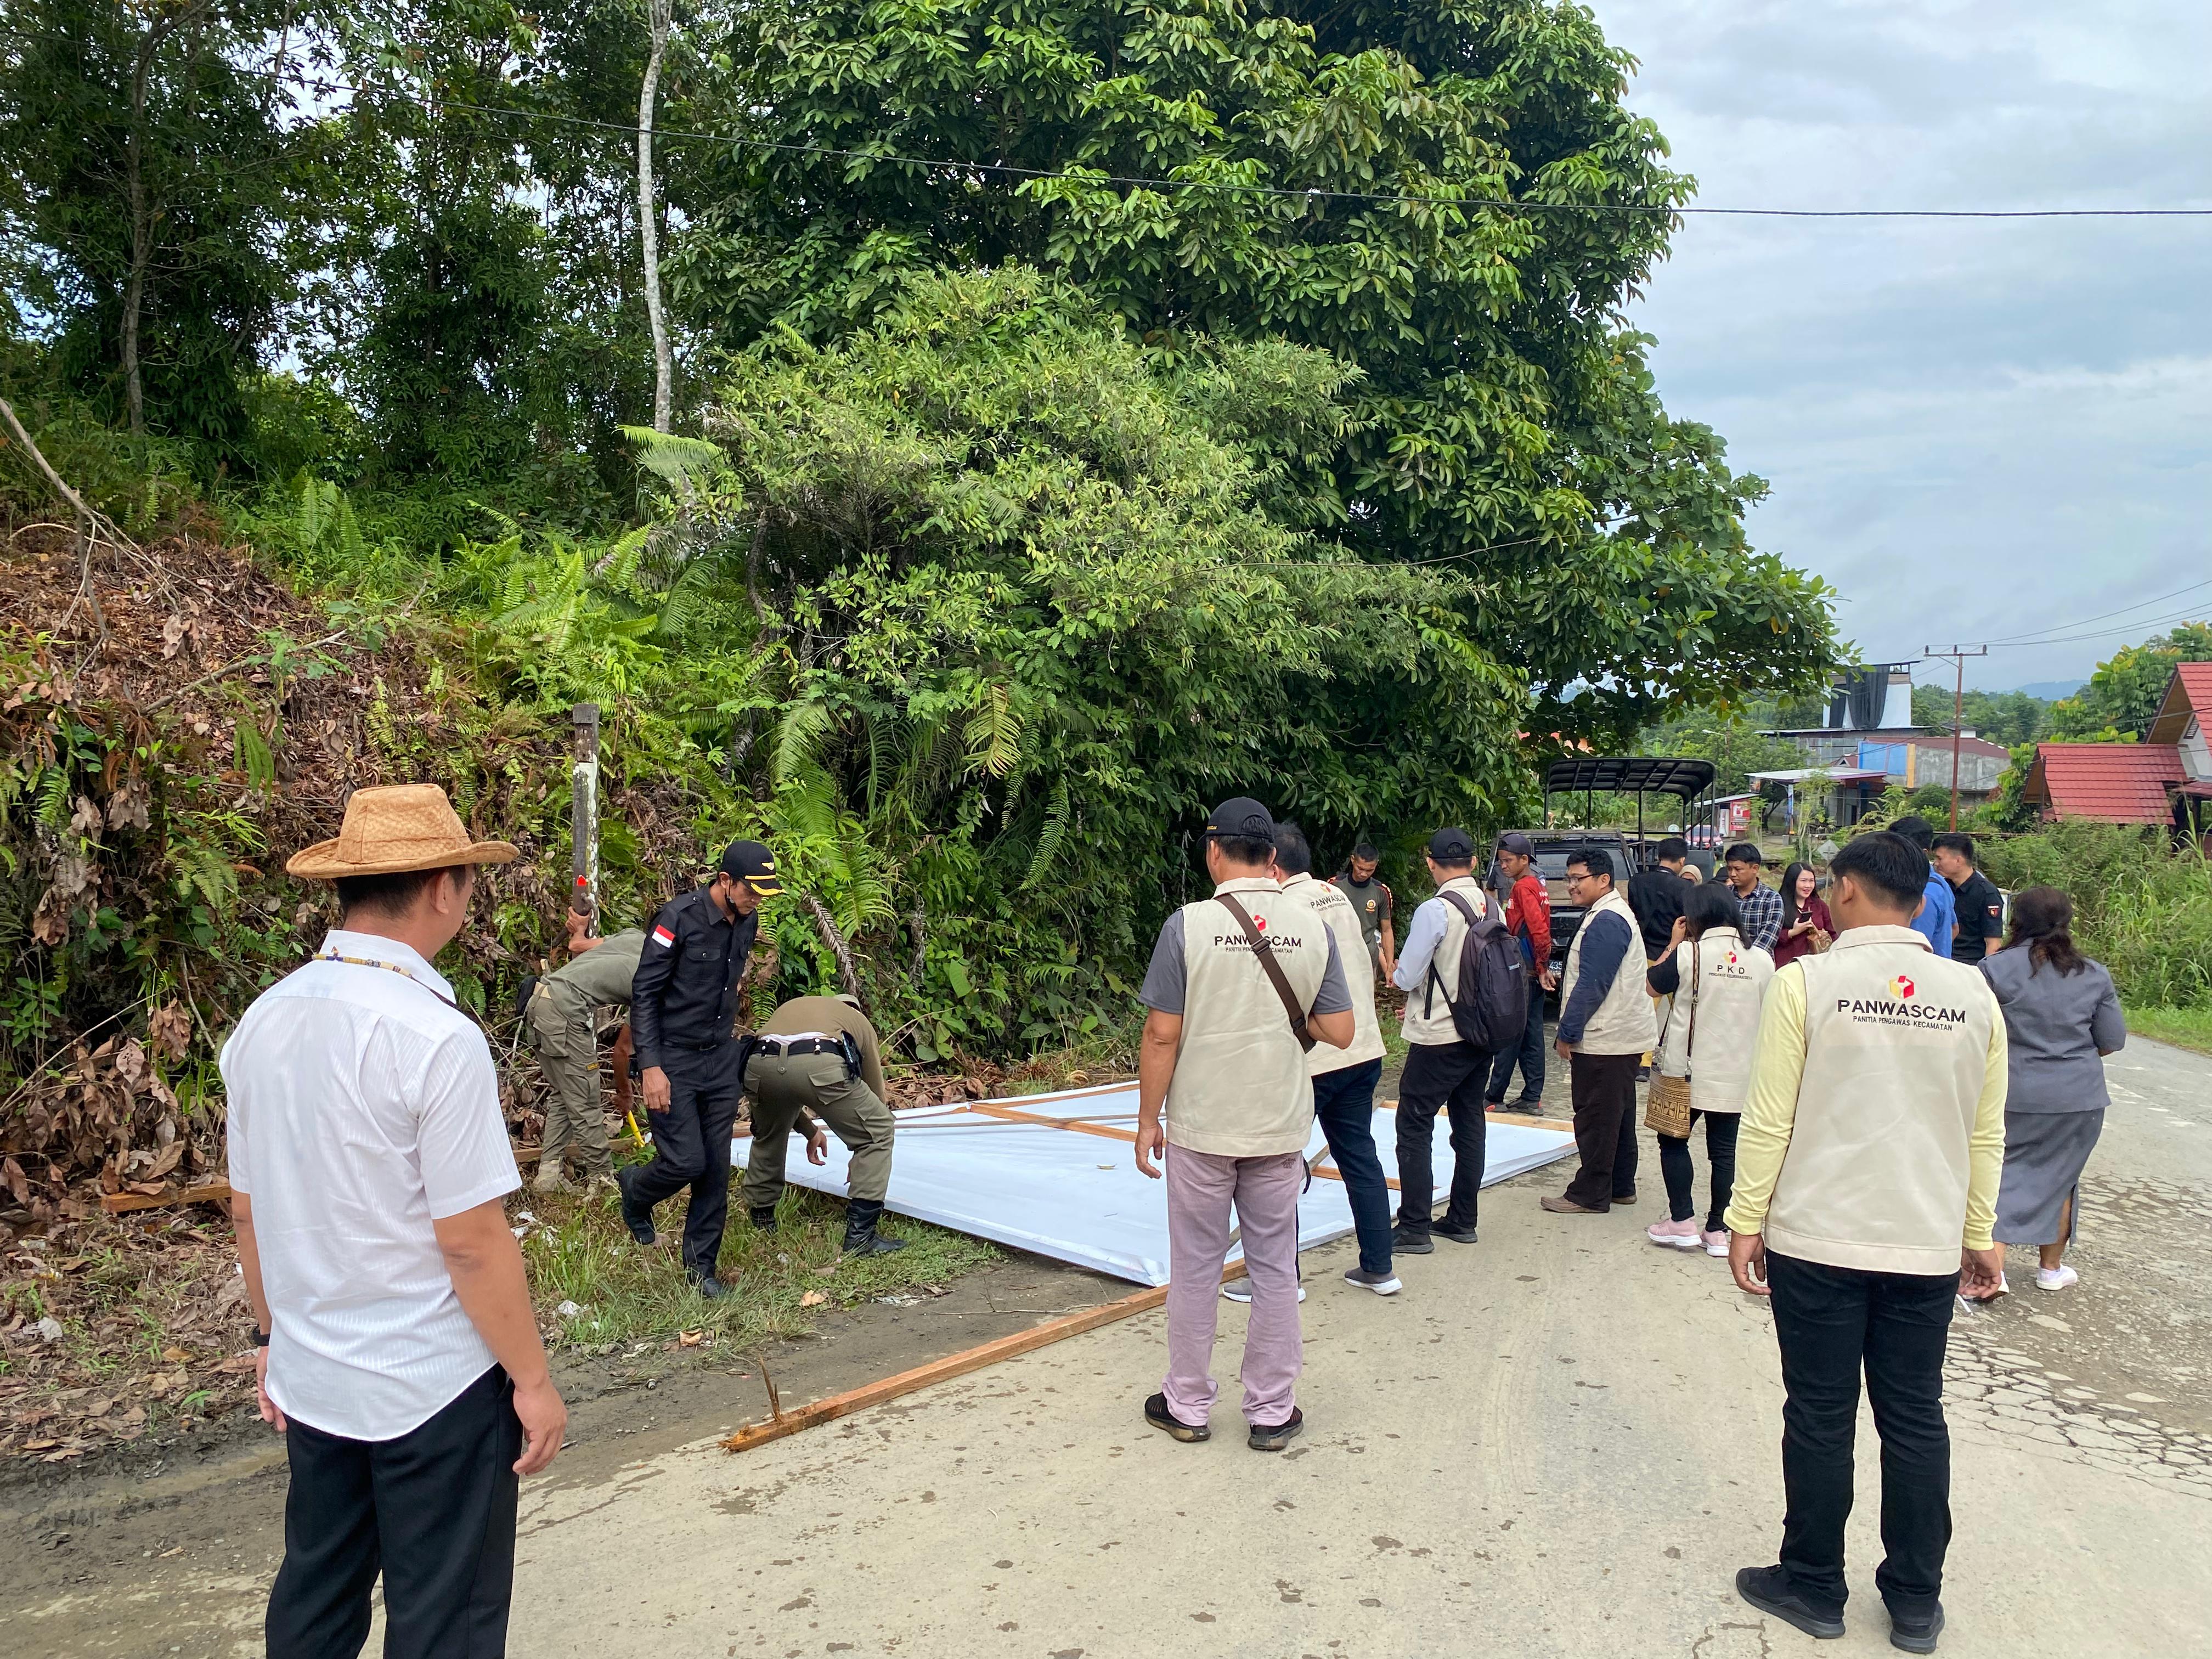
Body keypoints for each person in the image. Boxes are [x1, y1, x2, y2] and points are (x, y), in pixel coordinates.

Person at [226, 784, 566, 1658]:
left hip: (315, 1376)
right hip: (434, 1385)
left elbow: (246, 1209)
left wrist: (270, 1338)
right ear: (444, 887)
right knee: (443, 1615)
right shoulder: (437, 1037)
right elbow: (470, 1239)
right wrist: (530, 1381)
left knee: (318, 1590)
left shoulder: (262, 1022)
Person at [1723, 830, 2006, 1655]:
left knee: (1819, 1411)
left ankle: (1813, 1584)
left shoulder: (1807, 982)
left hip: (1820, 1237)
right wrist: (1979, 1233)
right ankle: (1915, 1601)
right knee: (1915, 1415)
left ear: (1844, 890)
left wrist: (1747, 1218)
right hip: (1923, 1242)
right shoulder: (1973, 994)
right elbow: (1986, 1130)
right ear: (1920, 904)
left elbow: (1769, 1114)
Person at [1135, 798, 1355, 1450]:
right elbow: (1339, 1031)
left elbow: (1160, 1033)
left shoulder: (1189, 925)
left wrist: (1150, 1120)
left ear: (1213, 851)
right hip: (1279, 1127)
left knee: (1198, 1267)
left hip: (1204, 1128)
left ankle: (1187, 1405)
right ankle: (1270, 1411)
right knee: (1273, 1271)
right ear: (1273, 856)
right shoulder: (1314, 926)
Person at [618, 839, 784, 1297]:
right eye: (752, 891)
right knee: (685, 1161)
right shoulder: (677, 920)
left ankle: (701, 1272)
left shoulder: (746, 923)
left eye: (763, 895)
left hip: (719, 1058)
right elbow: (645, 995)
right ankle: (636, 1189)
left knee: (714, 1169)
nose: (756, 902)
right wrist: (650, 1066)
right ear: (725, 881)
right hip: (672, 1058)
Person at [1271, 821, 1398, 1295]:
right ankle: (1379, 1267)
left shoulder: (1283, 910)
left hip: (1315, 1058)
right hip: (1362, 1046)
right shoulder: (1337, 898)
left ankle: (1283, 1281)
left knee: (1279, 1166)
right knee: (1359, 1156)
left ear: (1271, 864)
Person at [1981, 888, 2125, 1293]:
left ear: (2016, 921)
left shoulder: (1992, 970)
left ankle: (1996, 1269)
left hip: (2010, 1091)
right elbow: (2112, 1039)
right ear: (2067, 923)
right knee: (2062, 1178)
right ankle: (2050, 1270)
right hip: (2078, 1096)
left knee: (2000, 1173)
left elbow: (1976, 1034)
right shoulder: (2094, 974)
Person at [1643, 884, 1773, 1256]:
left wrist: (1673, 942)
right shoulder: (1762, 960)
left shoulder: (1689, 953)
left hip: (1684, 1070)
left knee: (1673, 1141)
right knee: (1726, 1152)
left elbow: (1652, 987)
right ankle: (1718, 1231)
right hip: (1739, 1074)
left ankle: (1682, 1221)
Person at [1389, 827, 1495, 1251]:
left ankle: (1414, 1226)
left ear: (1430, 863)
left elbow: (1408, 976)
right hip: (1482, 1031)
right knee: (1469, 1119)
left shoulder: (1435, 910)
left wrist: (1399, 976)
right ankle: (1462, 1219)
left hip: (1440, 1035)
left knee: (1414, 1123)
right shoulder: (1492, 905)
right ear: (1472, 862)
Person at [742, 992, 907, 1256]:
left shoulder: (795, 1007)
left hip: (758, 1063)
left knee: (769, 1136)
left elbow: (785, 1085)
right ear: (854, 1009)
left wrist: (810, 1130)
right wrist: (865, 1156)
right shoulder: (857, 1021)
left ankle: (762, 1221)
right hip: (819, 1060)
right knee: (878, 1132)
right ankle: (861, 1237)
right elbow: (874, 1092)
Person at [1540, 850, 1656, 1215]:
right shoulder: (1609, 914)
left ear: (1603, 880)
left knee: (1596, 1117)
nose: (1571, 886)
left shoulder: (1607, 920)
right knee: (1616, 1114)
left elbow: (1593, 984)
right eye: (1569, 879)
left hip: (1607, 1037)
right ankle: (1620, 1185)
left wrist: (1568, 1032)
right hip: (1619, 1035)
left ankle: (1589, 1193)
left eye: (1579, 879)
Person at [521, 906, 644, 1193]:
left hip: (539, 1001)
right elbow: (623, 1050)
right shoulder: (657, 981)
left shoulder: (638, 937)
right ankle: (602, 1182)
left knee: (565, 1092)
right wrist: (625, 1093)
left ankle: (549, 1175)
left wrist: (579, 931)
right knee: (586, 1098)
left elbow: (578, 946)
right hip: (564, 1011)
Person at [1485, 832, 1555, 1110]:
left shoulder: (1523, 888)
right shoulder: (1535, 885)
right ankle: (1531, 1096)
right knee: (1531, 1033)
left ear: (1524, 860)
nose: (1503, 866)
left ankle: (1493, 1097)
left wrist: (1539, 968)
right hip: (1531, 971)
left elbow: (1539, 931)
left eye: (1508, 861)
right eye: (1501, 861)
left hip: (1524, 972)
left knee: (1509, 1033)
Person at [1888, 816, 1957, 957]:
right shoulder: (1940, 882)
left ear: (1923, 853)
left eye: (1901, 851)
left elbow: (1917, 949)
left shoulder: (1925, 892)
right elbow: (1954, 928)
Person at [1932, 833, 2004, 966]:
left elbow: (1993, 944)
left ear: (1958, 860)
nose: (1936, 864)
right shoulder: (1942, 888)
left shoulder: (1986, 894)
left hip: (1969, 966)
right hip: (1941, 962)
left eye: (1939, 858)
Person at [1331, 841, 1396, 980]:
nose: (1363, 874)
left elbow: (1386, 930)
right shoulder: (1334, 886)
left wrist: (1390, 964)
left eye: (1369, 870)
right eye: (1360, 868)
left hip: (1367, 958)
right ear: (1353, 860)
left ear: (1376, 865)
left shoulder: (1381, 892)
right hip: (1338, 957)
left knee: (1366, 1001)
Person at [1627, 835, 1695, 956]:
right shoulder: (1686, 887)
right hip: (1670, 951)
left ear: (1659, 857)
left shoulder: (1637, 881)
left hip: (1639, 949)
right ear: (1682, 861)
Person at [1769, 861, 1833, 970]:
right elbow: (1769, 935)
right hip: (1787, 965)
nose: (1808, 886)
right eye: (1803, 881)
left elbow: (1833, 932)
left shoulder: (1819, 905)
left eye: (1811, 881)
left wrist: (1822, 935)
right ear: (1792, 882)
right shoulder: (1778, 903)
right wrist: (1792, 933)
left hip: (1814, 966)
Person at [1722, 842, 1784, 954]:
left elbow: (1767, 940)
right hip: (1724, 963)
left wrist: (1743, 959)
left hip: (1757, 964)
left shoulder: (1771, 899)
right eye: (1729, 869)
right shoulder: (1724, 895)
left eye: (1738, 869)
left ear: (1755, 868)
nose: (1733, 874)